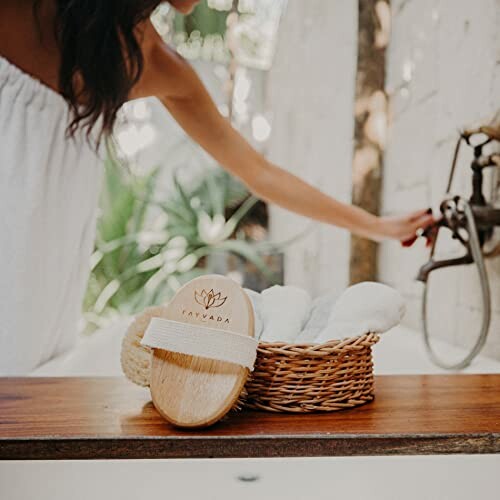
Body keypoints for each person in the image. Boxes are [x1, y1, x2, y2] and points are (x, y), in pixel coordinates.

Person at [0, 0, 434, 375]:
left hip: (43, 268)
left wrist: (379, 227)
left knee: (26, 401)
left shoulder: (156, 63)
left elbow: (261, 175)